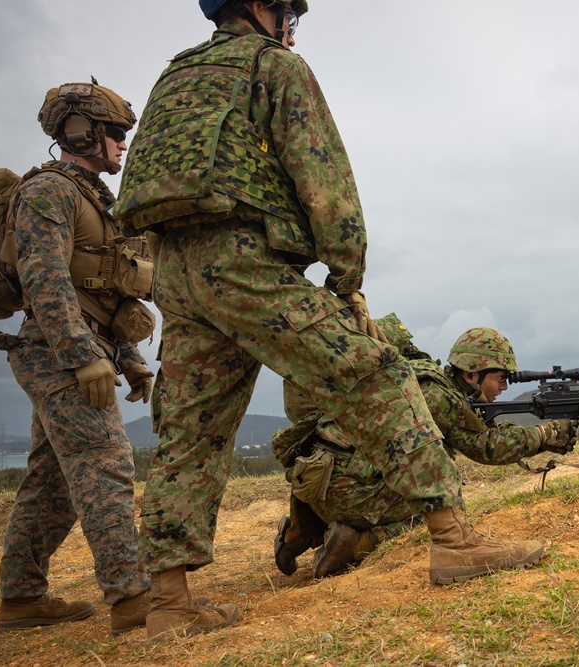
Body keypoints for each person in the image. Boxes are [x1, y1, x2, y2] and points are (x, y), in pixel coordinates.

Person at [112, 0, 544, 641]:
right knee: (381, 374)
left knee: (188, 435)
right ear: (262, 7)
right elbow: (324, 177)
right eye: (288, 10)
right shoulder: (274, 65)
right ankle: (454, 540)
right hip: (245, 262)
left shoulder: (174, 75)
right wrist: (346, 280)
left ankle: (170, 603)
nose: (290, 23)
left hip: (175, 272)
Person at [0, 80, 155, 635]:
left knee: (51, 483)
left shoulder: (95, 199)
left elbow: (97, 293)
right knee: (104, 465)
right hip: (58, 354)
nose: (124, 144)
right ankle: (134, 600)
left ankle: (22, 599)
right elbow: (43, 279)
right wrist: (82, 356)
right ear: (82, 133)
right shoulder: (48, 192)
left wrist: (126, 357)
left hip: (76, 350)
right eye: (116, 133)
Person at [272, 324, 579, 580]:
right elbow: (485, 447)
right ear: (472, 374)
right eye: (500, 378)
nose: (504, 387)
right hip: (353, 494)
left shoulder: (421, 377)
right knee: (430, 507)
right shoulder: (439, 396)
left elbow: (482, 432)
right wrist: (545, 434)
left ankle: (301, 533)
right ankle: (354, 544)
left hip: (313, 485)